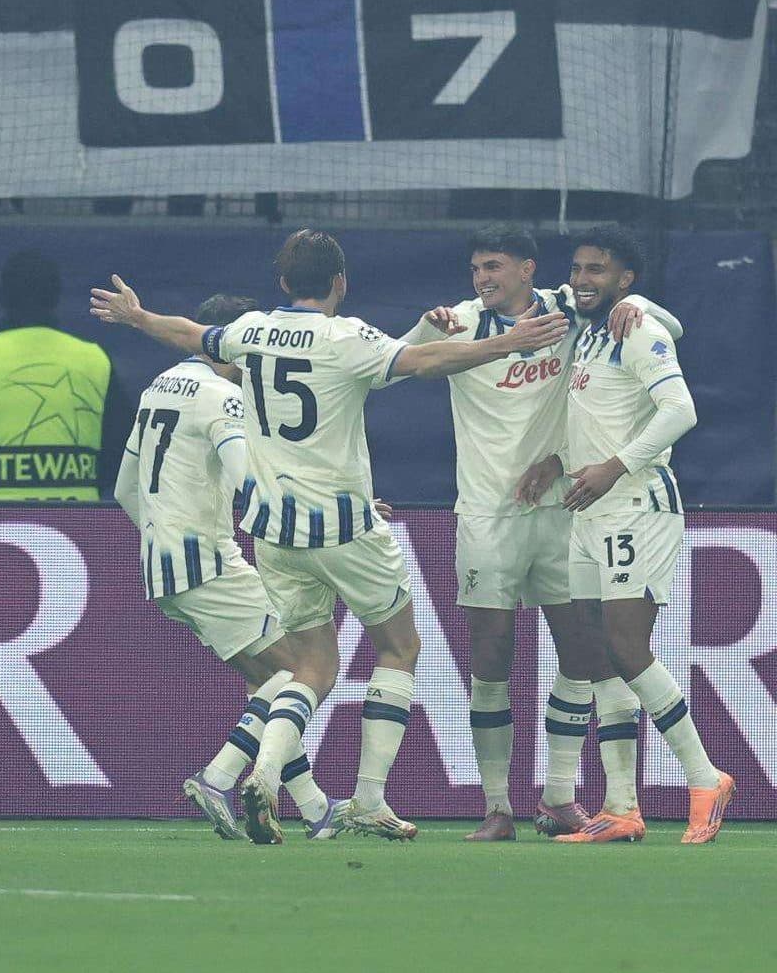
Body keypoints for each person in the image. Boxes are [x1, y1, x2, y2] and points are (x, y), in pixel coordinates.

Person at [91, 229, 569, 844]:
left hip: (273, 534)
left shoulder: (252, 331)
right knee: (399, 648)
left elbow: (191, 335)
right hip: (343, 525)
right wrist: (508, 342)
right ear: (340, 282)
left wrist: (136, 316)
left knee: (310, 667)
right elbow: (423, 362)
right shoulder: (350, 338)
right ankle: (367, 797)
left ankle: (262, 774)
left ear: (283, 283)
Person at [404, 224, 682, 841]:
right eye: (476, 268)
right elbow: (403, 365)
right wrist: (492, 344)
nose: (482, 278)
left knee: (584, 652)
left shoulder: (564, 308)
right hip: (486, 514)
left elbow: (664, 325)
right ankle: (497, 806)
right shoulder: (460, 323)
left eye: (494, 266)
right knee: (492, 655)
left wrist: (638, 303)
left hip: (562, 507)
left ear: (528, 269)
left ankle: (560, 794)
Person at [516, 226, 732, 844]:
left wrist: (616, 466)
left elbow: (681, 411)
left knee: (627, 647)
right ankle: (621, 806)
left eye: (598, 270)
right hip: (587, 508)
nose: (583, 279)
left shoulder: (636, 328)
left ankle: (704, 775)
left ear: (625, 280)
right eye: (579, 268)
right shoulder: (589, 328)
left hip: (636, 504)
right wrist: (558, 462)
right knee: (599, 654)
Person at [118, 293, 348, 842]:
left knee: (270, 683)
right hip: (207, 559)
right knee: (304, 670)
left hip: (161, 563)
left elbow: (126, 489)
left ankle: (315, 809)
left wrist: (162, 534)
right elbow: (249, 478)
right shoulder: (223, 397)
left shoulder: (158, 387)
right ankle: (219, 777)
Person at [0, 249, 137, 500]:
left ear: (2, 296)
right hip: (77, 520)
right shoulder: (94, 359)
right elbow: (125, 448)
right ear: (56, 297)